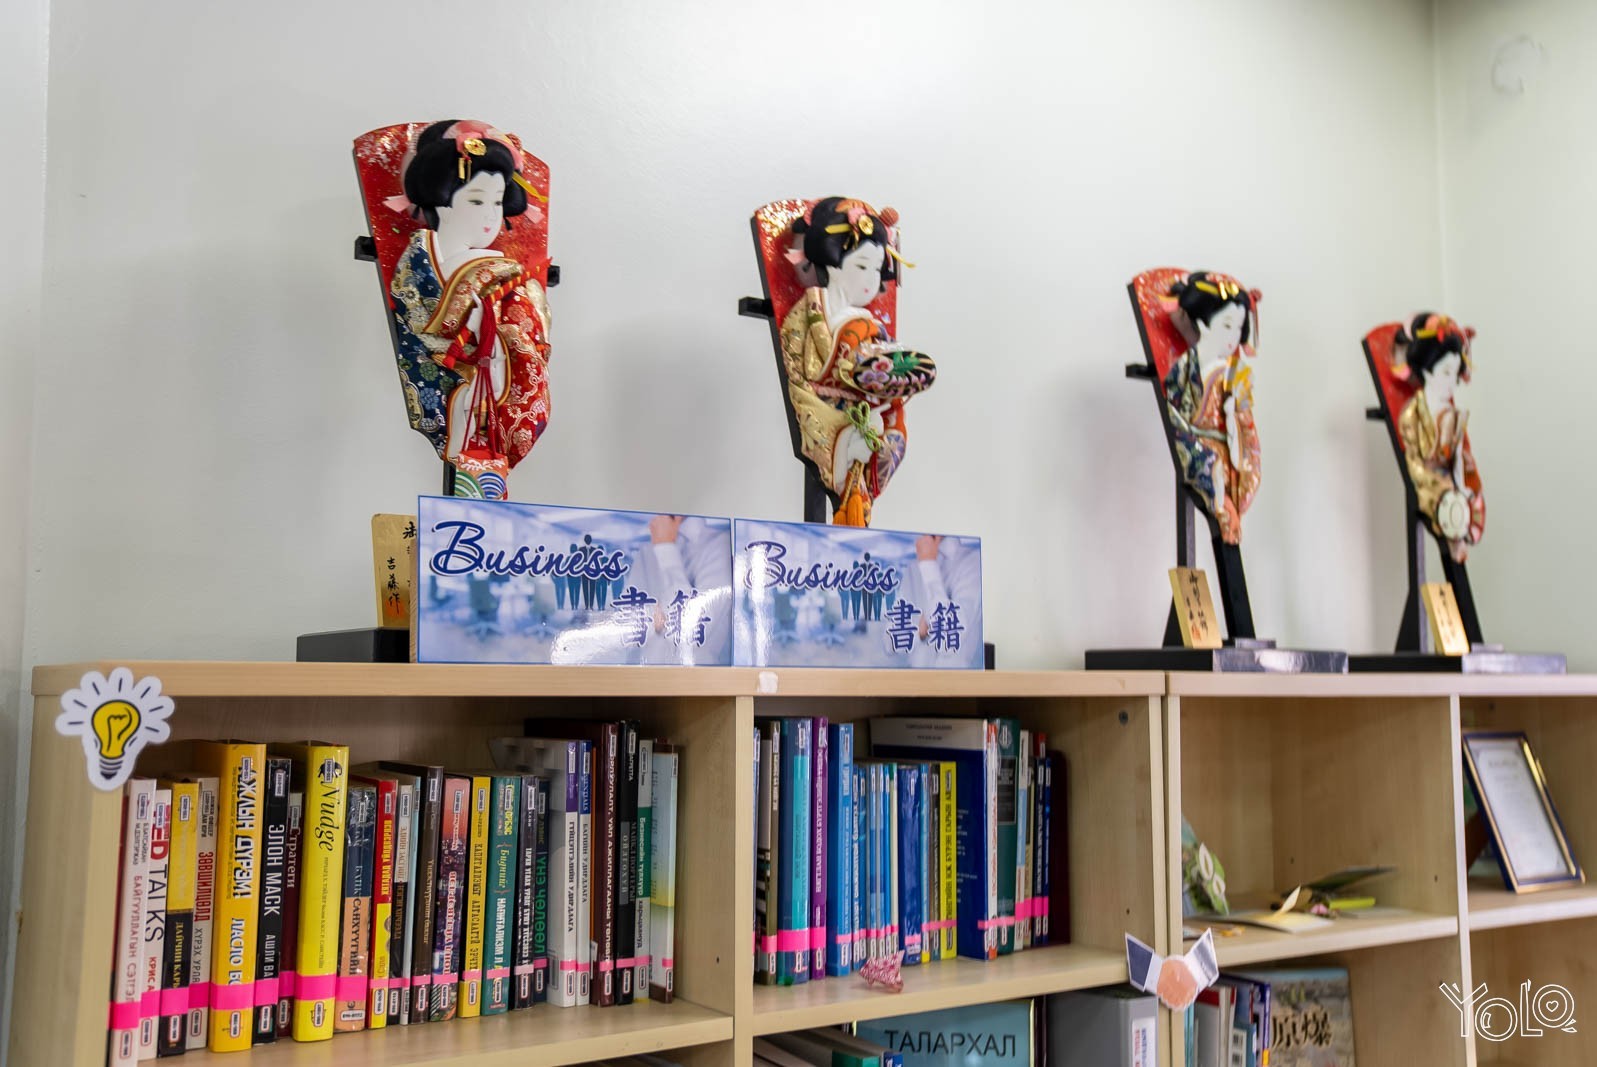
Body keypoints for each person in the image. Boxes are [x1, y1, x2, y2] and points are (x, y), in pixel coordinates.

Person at [384, 120, 552, 500]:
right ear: (440, 199)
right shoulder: (418, 267)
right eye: (476, 201)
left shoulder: (503, 274)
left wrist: (501, 330)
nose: (491, 216)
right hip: (453, 390)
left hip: (486, 390)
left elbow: (526, 344)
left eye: (497, 202)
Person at [779, 198, 936, 527]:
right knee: (858, 443)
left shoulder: (868, 323)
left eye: (877, 270)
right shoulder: (810, 315)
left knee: (887, 433)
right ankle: (849, 460)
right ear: (833, 262)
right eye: (862, 266)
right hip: (829, 411)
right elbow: (805, 376)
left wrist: (892, 384)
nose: (871, 280)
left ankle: (860, 471)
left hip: (867, 410)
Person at [1162, 272, 1262, 545]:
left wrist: (1233, 412)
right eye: (1226, 325)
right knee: (1211, 470)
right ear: (1203, 325)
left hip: (1230, 446)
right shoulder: (1187, 365)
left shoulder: (1235, 371)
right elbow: (1175, 403)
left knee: (1232, 474)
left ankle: (1227, 504)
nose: (1232, 337)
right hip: (1197, 441)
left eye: (1237, 328)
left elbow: (1243, 422)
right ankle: (1220, 500)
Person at [1394, 313, 1484, 562]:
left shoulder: (1451, 414)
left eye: (1455, 374)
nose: (1451, 383)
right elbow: (1414, 462)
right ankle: (1454, 533)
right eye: (1446, 373)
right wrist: (1442, 486)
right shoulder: (1412, 414)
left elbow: (1458, 457)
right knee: (1449, 504)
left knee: (1467, 496)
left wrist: (1462, 486)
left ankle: (1461, 531)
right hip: (1428, 482)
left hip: (1451, 480)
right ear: (1427, 371)